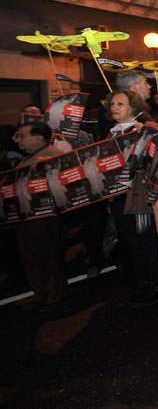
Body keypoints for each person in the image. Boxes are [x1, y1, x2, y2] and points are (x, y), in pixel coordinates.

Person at [104, 90, 158, 306]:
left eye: (121, 104)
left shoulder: (144, 128)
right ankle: (142, 284)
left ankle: (157, 285)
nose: (115, 107)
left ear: (133, 107)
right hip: (119, 195)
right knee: (129, 240)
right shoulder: (111, 133)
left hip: (139, 195)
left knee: (145, 239)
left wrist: (147, 133)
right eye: (112, 103)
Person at [11, 122, 66, 311]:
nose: (18, 140)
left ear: (39, 138)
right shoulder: (30, 157)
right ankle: (40, 293)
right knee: (31, 257)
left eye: (22, 136)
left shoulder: (52, 156)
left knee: (46, 255)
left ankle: (52, 296)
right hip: (26, 216)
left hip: (44, 216)